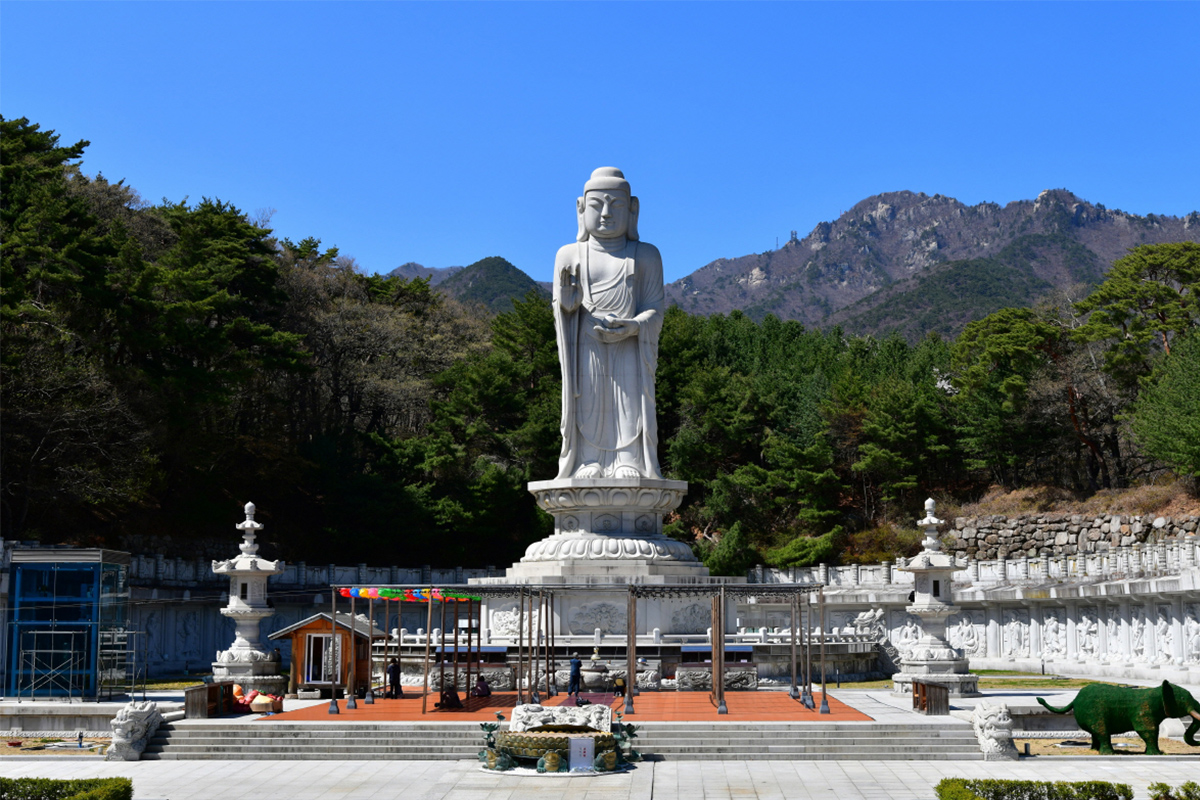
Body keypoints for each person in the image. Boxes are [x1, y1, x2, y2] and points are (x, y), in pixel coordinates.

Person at [553, 167, 665, 480]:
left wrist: (635, 326)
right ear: (580, 209)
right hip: (586, 346)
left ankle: (629, 458)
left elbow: (655, 308)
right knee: (588, 401)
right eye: (596, 205)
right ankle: (588, 459)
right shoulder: (569, 254)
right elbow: (562, 310)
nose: (605, 214)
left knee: (629, 401)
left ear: (633, 209)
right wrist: (567, 304)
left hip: (630, 345)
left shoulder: (645, 255)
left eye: (616, 205)